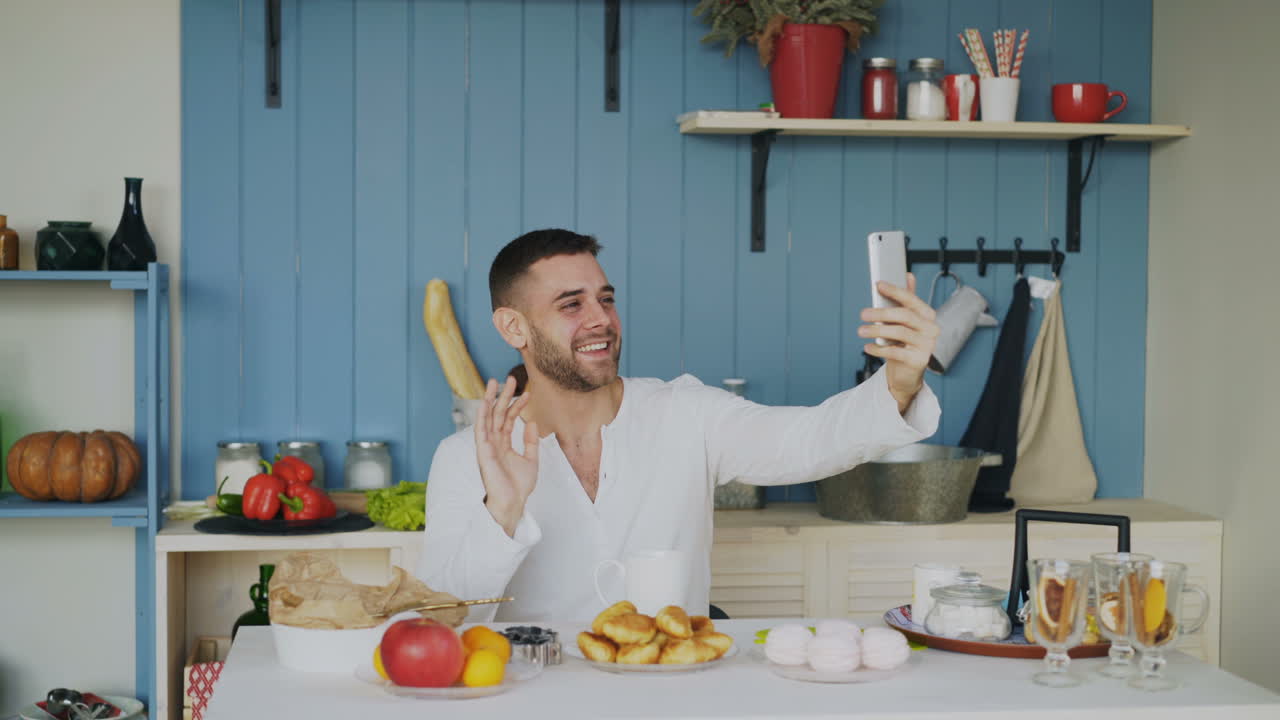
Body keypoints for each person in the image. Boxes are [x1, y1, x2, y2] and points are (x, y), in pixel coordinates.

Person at [417, 229, 940, 621]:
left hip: (678, 694)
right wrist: (502, 510)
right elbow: (445, 618)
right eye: (571, 304)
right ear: (514, 327)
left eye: (605, 298)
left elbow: (811, 440)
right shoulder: (465, 457)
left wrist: (898, 383)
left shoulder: (686, 413)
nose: (600, 318)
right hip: (537, 700)